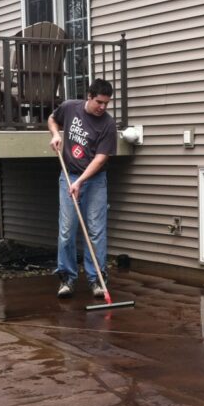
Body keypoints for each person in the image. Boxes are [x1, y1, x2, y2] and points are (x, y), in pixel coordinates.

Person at [48, 78, 118, 298]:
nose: (103, 107)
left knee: (96, 231)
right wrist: (56, 134)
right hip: (68, 175)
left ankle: (96, 279)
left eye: (106, 103)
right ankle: (67, 278)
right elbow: (52, 118)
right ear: (89, 96)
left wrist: (80, 181)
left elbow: (100, 159)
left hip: (95, 180)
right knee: (67, 230)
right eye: (99, 102)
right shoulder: (70, 108)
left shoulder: (108, 124)